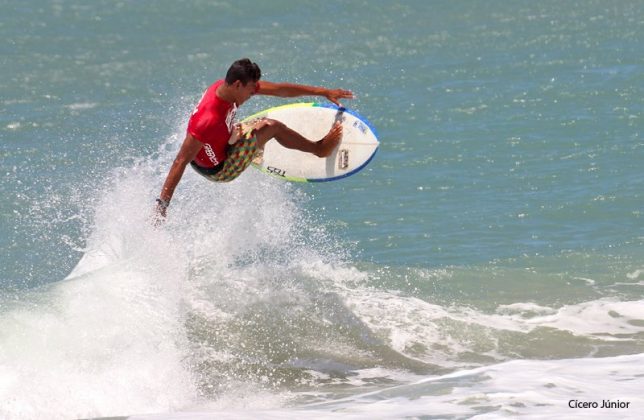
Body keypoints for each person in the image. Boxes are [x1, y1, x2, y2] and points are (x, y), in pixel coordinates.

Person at [154, 58, 354, 220]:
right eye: (250, 91)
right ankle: (318, 149)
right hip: (219, 168)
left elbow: (279, 90)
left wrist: (323, 91)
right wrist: (162, 206)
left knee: (258, 123)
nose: (251, 95)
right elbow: (180, 161)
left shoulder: (224, 88)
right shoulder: (207, 121)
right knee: (271, 126)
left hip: (220, 143)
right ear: (238, 84)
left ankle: (246, 145)